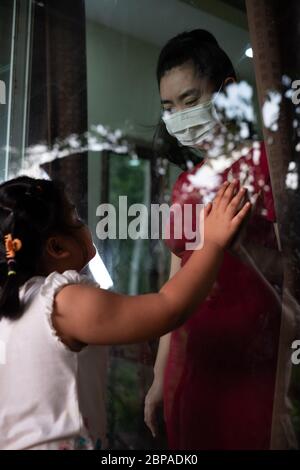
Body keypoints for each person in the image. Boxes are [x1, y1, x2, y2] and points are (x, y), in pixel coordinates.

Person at [0, 175, 249, 450]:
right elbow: (168, 308)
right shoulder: (61, 301)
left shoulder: (11, 308)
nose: (85, 224)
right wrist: (211, 242)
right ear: (57, 247)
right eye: (76, 219)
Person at [144, 29, 282, 450]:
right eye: (170, 107)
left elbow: (289, 272)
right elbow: (175, 286)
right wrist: (158, 375)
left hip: (256, 367)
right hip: (190, 364)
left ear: (225, 93)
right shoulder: (185, 183)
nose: (180, 117)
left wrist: (240, 246)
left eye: (190, 101)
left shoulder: (268, 165)